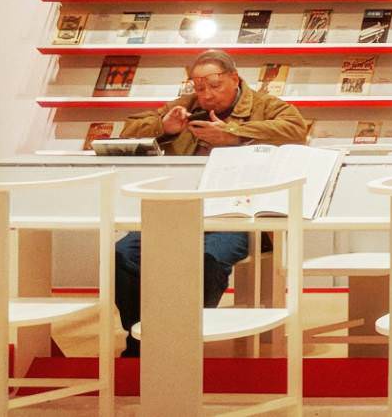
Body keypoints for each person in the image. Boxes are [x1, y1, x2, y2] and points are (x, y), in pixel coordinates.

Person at [112, 49, 311, 357]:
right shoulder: (185, 106)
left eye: (215, 85)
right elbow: (128, 129)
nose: (206, 94)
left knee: (206, 257)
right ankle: (143, 336)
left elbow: (296, 130)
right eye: (198, 86)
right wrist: (164, 127)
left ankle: (185, 338)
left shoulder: (265, 105)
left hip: (241, 217)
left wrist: (235, 134)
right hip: (180, 210)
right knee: (123, 253)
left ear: (235, 79)